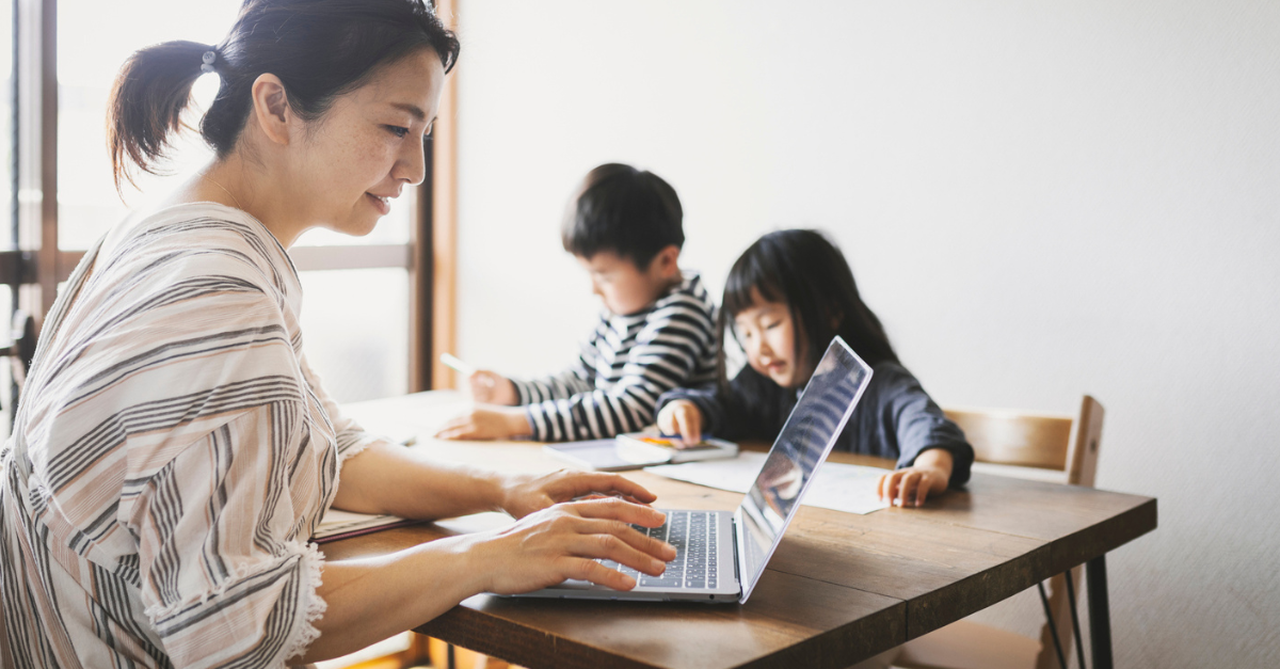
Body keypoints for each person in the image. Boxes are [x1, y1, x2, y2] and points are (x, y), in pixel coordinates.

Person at [0, 2, 675, 666]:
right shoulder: (213, 293)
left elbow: (331, 450)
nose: (415, 168)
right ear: (275, 107)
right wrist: (489, 555)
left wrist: (502, 490)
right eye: (394, 127)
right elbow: (236, 624)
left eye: (425, 134)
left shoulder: (186, 235)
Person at [656, 229, 975, 509]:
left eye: (771, 324)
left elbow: (925, 424)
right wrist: (687, 408)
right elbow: (724, 405)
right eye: (746, 333)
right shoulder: (763, 386)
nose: (759, 348)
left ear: (830, 311)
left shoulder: (880, 383)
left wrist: (929, 468)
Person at [436, 163, 719, 442]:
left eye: (604, 276)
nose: (594, 290)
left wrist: (514, 422)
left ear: (666, 261)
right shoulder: (621, 310)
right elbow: (580, 382)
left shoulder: (684, 311)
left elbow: (631, 409)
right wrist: (512, 392)